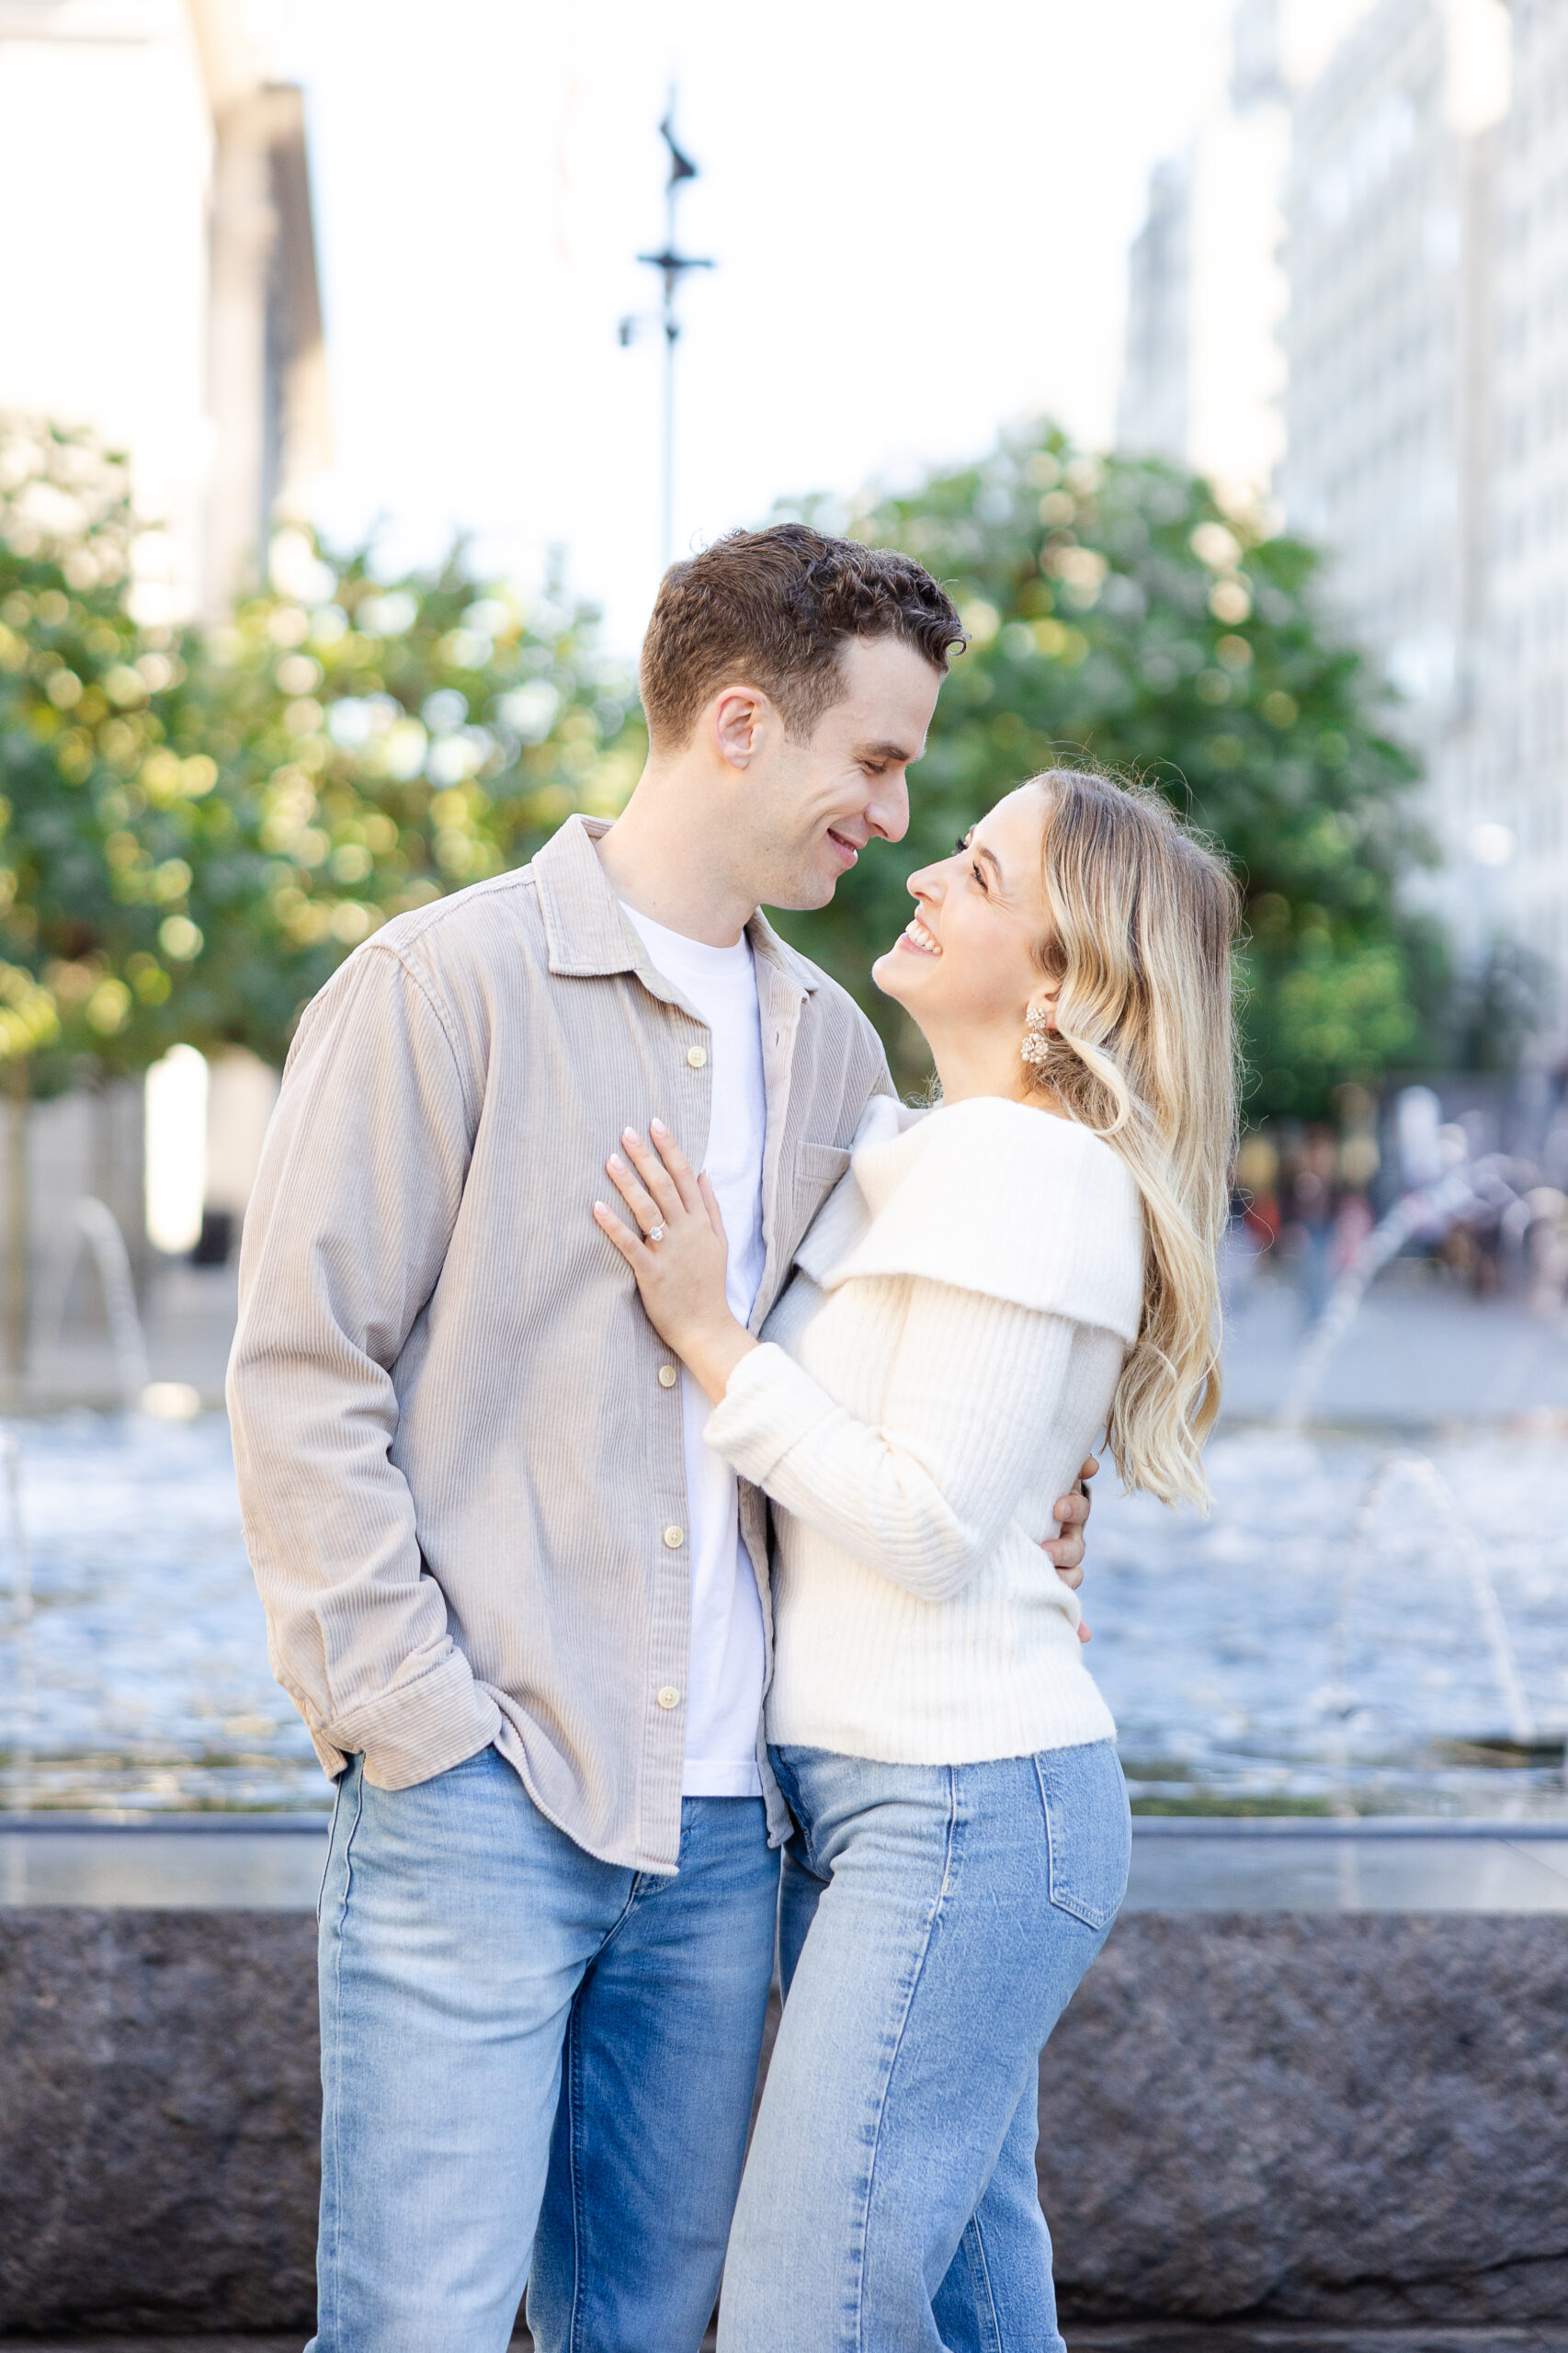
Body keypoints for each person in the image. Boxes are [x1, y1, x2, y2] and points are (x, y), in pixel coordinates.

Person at [225, 525, 1099, 2353]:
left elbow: (892, 1384)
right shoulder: (436, 987)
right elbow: (305, 1378)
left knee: (647, 2329)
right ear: (732, 722)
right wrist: (414, 1727)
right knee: (416, 2333)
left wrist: (1033, 1499)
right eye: (873, 759)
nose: (891, 808)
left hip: (722, 1837)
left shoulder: (838, 1050)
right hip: (478, 1794)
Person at [597, 766, 1238, 2352]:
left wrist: (705, 1334)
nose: (923, 875)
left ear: (1063, 978)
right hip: (889, 1804)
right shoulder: (934, 1155)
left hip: (963, 1808)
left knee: (806, 2314)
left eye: (978, 870)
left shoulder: (1031, 1175)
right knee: (963, 2285)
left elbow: (928, 1529)